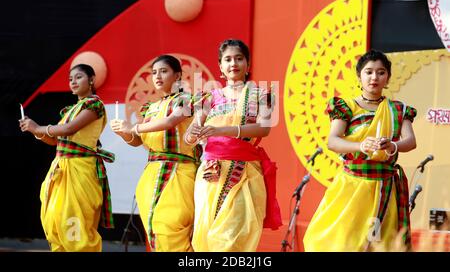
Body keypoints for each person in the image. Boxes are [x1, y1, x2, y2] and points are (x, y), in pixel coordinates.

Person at [303, 49, 417, 252]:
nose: (374, 77)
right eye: (369, 72)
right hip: (352, 186)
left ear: (388, 78)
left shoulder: (398, 109)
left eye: (381, 72)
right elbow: (333, 141)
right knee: (341, 242)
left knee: (380, 244)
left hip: (385, 188)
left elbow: (410, 141)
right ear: (359, 76)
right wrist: (360, 146)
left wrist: (393, 145)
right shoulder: (346, 106)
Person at [184, 39, 282, 252]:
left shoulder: (261, 95)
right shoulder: (208, 98)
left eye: (239, 58)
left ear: (248, 64)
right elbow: (190, 133)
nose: (233, 63)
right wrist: (193, 135)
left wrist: (221, 130)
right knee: (206, 233)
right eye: (227, 59)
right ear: (220, 66)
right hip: (211, 174)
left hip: (244, 173)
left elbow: (263, 129)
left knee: (230, 237)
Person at [19, 64, 115, 252]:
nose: (73, 82)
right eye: (70, 79)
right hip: (61, 169)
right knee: (54, 220)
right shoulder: (70, 110)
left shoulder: (94, 105)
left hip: (80, 169)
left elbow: (69, 129)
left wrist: (38, 128)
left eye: (78, 77)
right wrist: (34, 131)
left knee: (74, 224)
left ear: (92, 80)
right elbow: (56, 140)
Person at [110, 55, 201, 252]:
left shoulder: (186, 99)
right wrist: (124, 133)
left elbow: (169, 122)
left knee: (171, 225)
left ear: (177, 75)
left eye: (163, 71)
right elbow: (137, 142)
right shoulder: (151, 107)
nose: (157, 76)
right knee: (156, 230)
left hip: (179, 172)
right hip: (151, 174)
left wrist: (133, 127)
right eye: (153, 72)